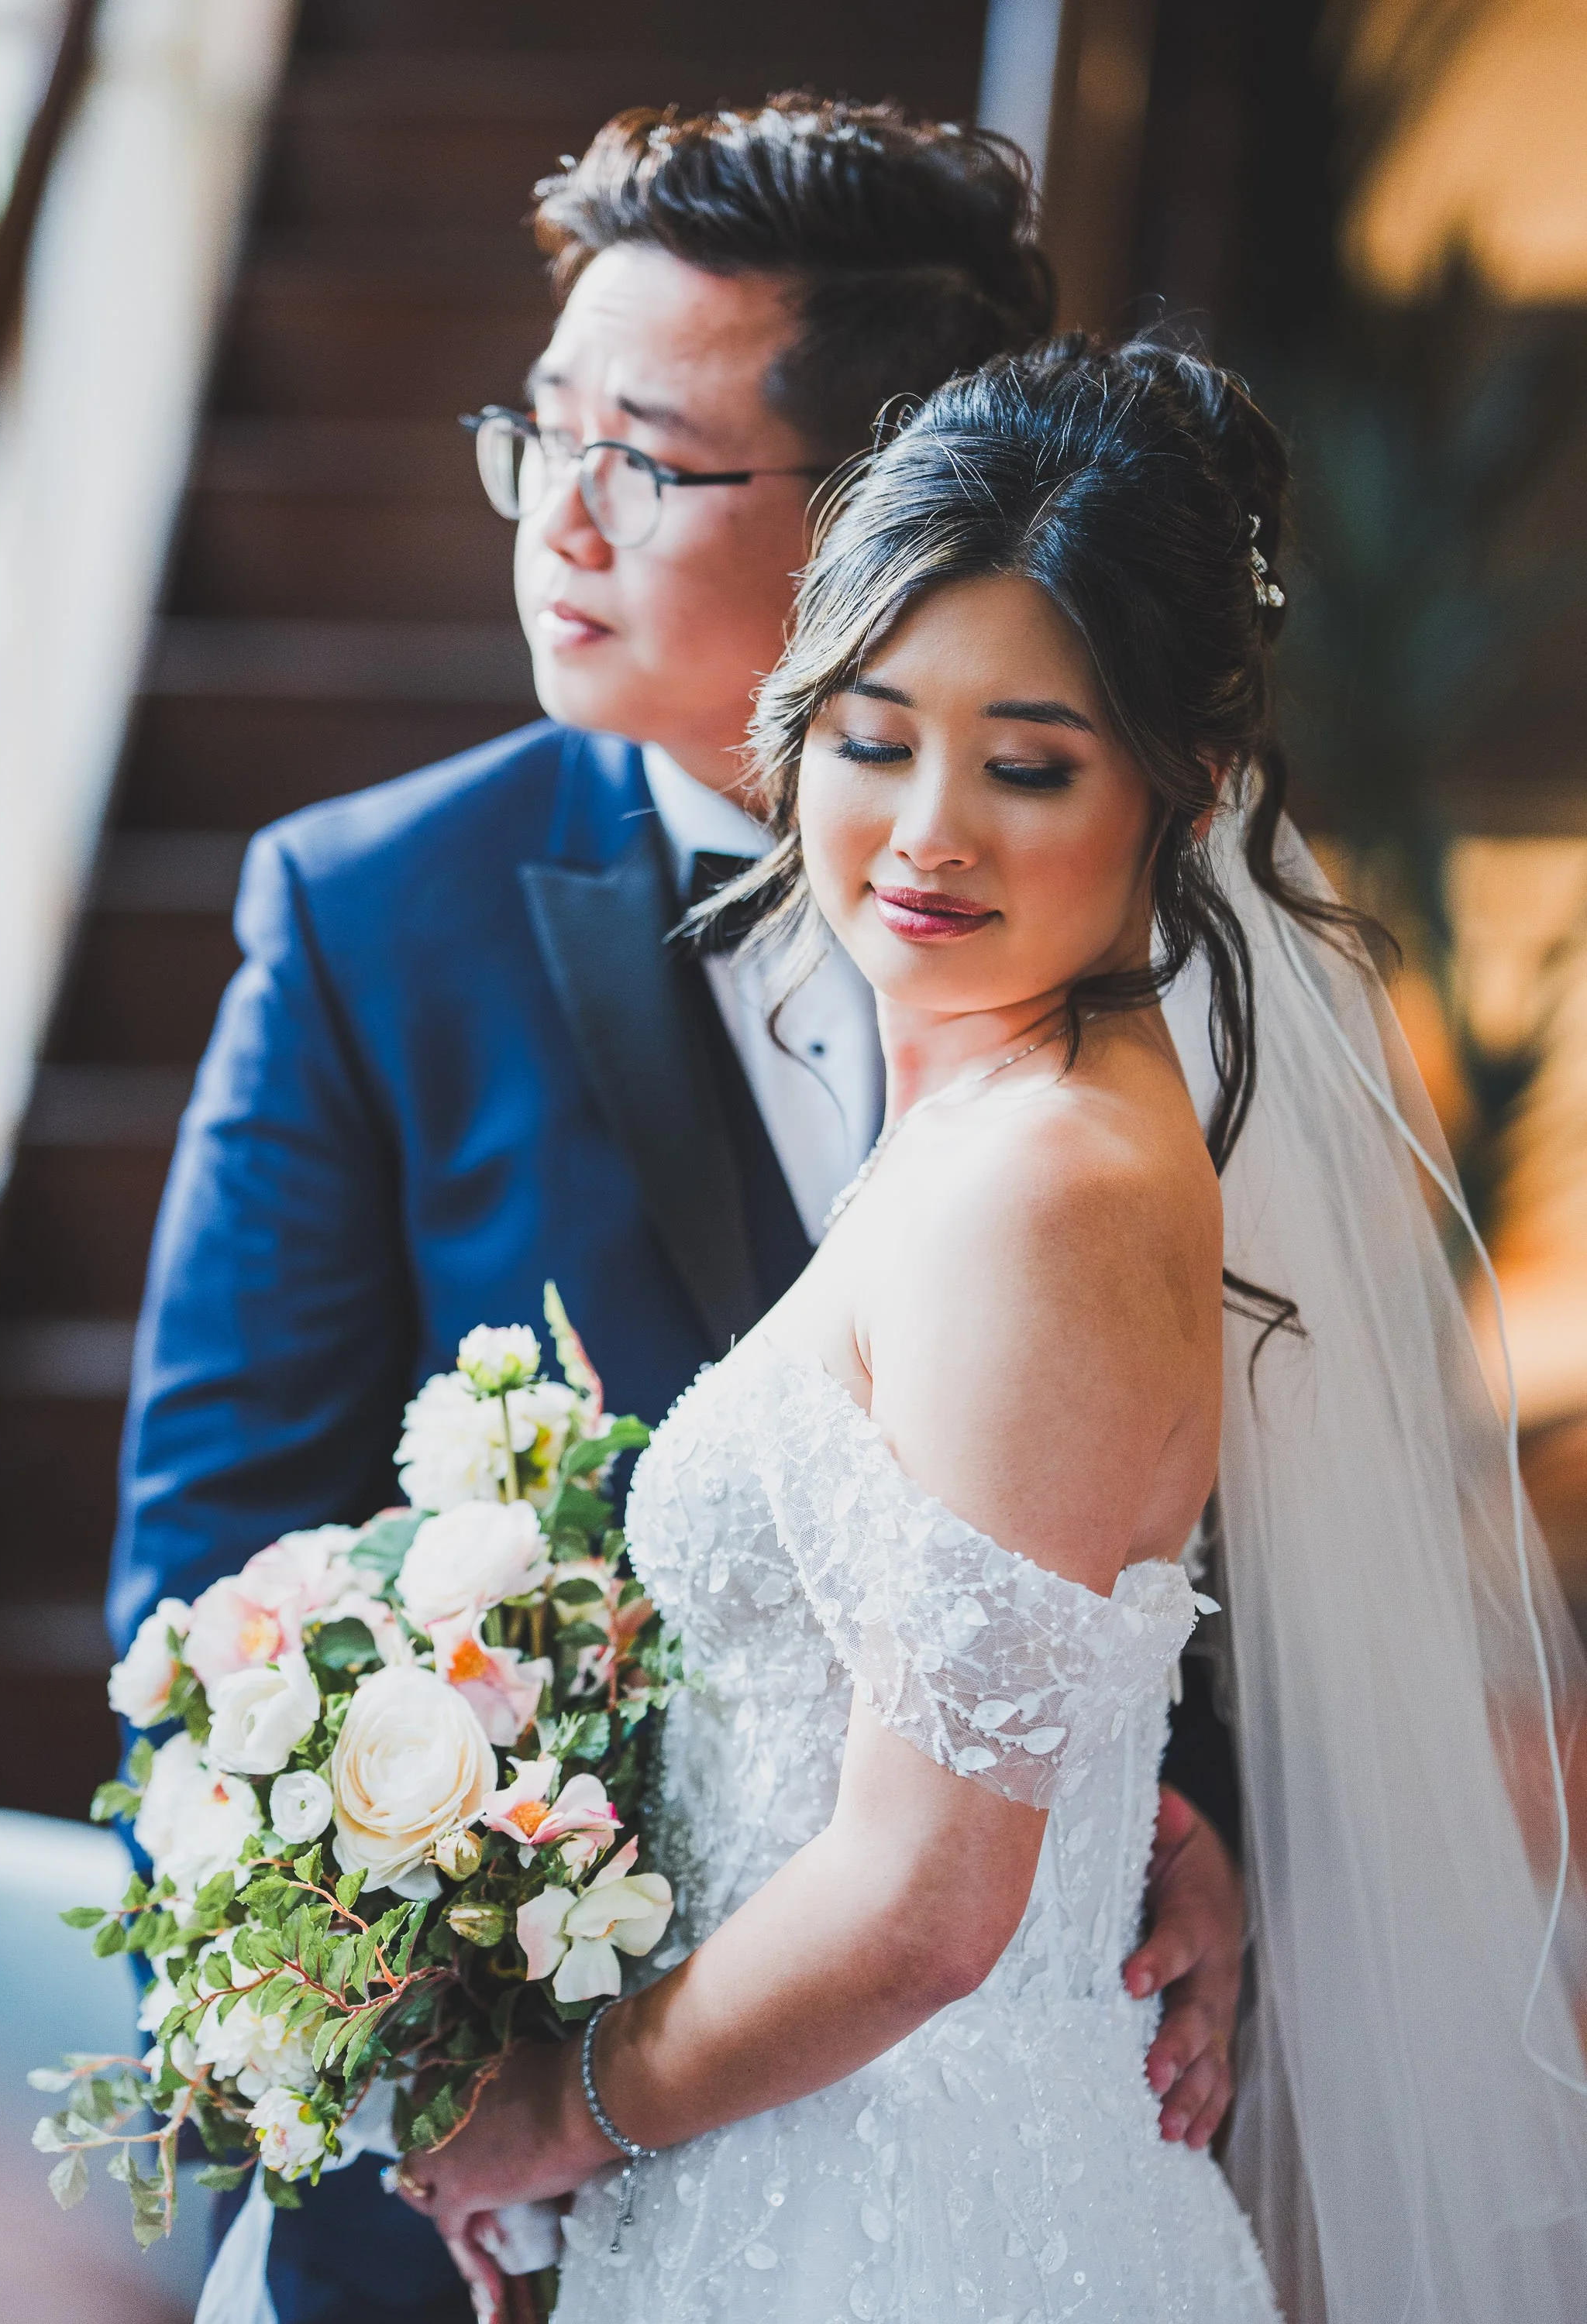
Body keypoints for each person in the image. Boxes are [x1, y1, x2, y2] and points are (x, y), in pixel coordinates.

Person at [108, 98, 1244, 2320]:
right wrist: (448, 2079)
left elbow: (1142, 1538)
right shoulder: (368, 921)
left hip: (945, 2172)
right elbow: (203, 1616)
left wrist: (1167, 1823)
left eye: (648, 456)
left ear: (888, 495)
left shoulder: (1148, 970)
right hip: (492, 2220)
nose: (561, 518)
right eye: (536, 435)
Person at [395, 340, 1587, 2322]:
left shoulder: (1048, 1184)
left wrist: (555, 2111)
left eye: (1026, 763)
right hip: (802, 2176)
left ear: (1179, 786)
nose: (927, 830)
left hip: (917, 2225)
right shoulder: (993, 1120)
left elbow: (930, 1907)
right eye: (873, 738)